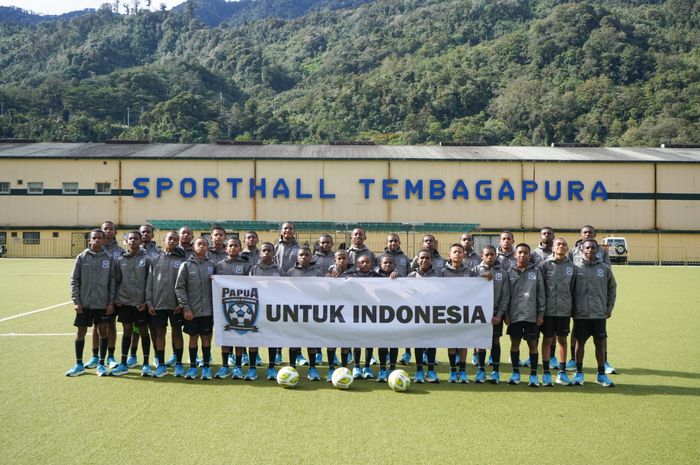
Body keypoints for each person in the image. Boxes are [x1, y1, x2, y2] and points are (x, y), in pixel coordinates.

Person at [65, 229, 115, 377]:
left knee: (103, 331)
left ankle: (101, 364)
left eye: (100, 238)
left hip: (102, 304)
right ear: (90, 240)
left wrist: (110, 302)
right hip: (84, 304)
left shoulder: (110, 258)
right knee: (80, 332)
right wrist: (76, 301)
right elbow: (74, 281)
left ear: (104, 240)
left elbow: (112, 282)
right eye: (95, 238)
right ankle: (79, 364)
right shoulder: (81, 258)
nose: (97, 240)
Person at [568, 225, 616, 375]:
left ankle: (602, 371)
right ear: (582, 249)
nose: (590, 250)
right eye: (587, 248)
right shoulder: (574, 266)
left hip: (598, 312)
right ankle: (578, 369)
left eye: (593, 248)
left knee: (600, 342)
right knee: (579, 341)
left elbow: (612, 287)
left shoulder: (604, 267)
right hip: (580, 312)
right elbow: (568, 288)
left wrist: (609, 307)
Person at [110, 231, 153, 377]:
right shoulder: (120, 260)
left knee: (142, 331)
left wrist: (147, 301)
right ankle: (123, 363)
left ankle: (146, 364)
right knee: (127, 331)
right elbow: (116, 280)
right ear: (126, 241)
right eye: (130, 239)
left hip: (140, 303)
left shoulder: (147, 259)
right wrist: (116, 297)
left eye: (136, 238)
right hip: (125, 302)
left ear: (140, 241)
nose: (133, 241)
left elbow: (150, 282)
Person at [146, 230, 186, 378]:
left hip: (175, 305)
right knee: (160, 333)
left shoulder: (182, 260)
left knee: (177, 332)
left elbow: (184, 284)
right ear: (164, 240)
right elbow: (149, 283)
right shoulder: (155, 259)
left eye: (176, 240)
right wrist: (149, 302)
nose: (173, 241)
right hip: (158, 304)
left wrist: (182, 303)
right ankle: (161, 364)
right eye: (170, 239)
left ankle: (179, 364)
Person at [175, 237, 216, 380]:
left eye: (205, 245)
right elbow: (179, 288)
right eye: (200, 244)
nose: (202, 247)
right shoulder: (186, 265)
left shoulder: (212, 265)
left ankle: (206, 367)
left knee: (206, 339)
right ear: (193, 247)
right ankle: (192, 367)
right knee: (193, 338)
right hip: (192, 310)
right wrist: (186, 308)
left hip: (208, 311)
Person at [505, 243, 545, 387]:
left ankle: (533, 376)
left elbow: (541, 294)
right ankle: (515, 373)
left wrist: (541, 313)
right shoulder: (509, 271)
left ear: (530, 255)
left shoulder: (536, 271)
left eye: (525, 253)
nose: (522, 255)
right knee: (514, 344)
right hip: (514, 315)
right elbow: (506, 295)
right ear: (515, 255)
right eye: (520, 252)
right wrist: (505, 314)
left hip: (531, 315)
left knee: (533, 345)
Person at [215, 238, 255, 380]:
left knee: (239, 336)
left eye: (236, 245)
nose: (233, 248)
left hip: (242, 307)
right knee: (225, 337)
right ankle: (225, 366)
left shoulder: (247, 265)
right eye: (230, 246)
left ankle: (238, 367)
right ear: (226, 248)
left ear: (240, 248)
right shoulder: (219, 265)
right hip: (223, 306)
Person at [85, 221, 123, 370]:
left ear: (115, 232)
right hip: (95, 297)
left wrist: (116, 297)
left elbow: (120, 277)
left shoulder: (120, 251)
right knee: (96, 326)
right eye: (105, 229)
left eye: (110, 229)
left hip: (111, 296)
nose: (107, 232)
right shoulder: (91, 251)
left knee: (111, 325)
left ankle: (111, 356)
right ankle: (95, 356)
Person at [539, 238, 576, 387]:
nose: (561, 246)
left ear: (567, 248)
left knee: (562, 340)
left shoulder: (572, 267)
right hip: (548, 311)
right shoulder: (544, 265)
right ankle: (546, 372)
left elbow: (573, 289)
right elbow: (539, 289)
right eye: (558, 244)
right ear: (553, 248)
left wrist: (571, 308)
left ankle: (562, 372)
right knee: (547, 340)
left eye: (564, 244)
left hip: (564, 311)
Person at [472, 244, 510, 384]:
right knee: (480, 342)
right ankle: (481, 371)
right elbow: (467, 291)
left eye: (492, 254)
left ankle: (495, 372)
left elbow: (505, 296)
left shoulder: (503, 273)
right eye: (486, 255)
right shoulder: (474, 271)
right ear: (482, 256)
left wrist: (499, 315)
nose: (489, 257)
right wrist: (480, 277)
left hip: (495, 315)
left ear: (496, 255)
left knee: (495, 341)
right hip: (479, 314)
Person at [286, 246, 323, 380]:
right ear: (297, 257)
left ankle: (312, 368)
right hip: (294, 312)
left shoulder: (318, 273)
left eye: (307, 255)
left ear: (311, 257)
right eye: (301, 255)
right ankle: (292, 367)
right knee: (294, 341)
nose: (304, 257)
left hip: (312, 312)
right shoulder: (290, 272)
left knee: (311, 340)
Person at [248, 242, 283, 380]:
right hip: (256, 310)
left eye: (269, 250)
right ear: (260, 253)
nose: (267, 252)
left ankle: (272, 367)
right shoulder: (253, 269)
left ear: (273, 253)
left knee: (272, 338)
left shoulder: (278, 270)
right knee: (253, 338)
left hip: (272, 310)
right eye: (264, 250)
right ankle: (252, 368)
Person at [341, 254, 377, 379]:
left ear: (371, 264)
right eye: (362, 262)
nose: (365, 264)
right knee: (356, 339)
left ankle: (367, 367)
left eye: (367, 262)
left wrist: (394, 274)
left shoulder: (377, 276)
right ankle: (356, 366)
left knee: (369, 340)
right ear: (357, 264)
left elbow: (388, 282)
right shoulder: (350, 275)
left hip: (371, 312)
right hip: (354, 312)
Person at [440, 243, 472, 383]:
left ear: (464, 255)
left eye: (460, 252)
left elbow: (479, 284)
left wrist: (486, 275)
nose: (457, 254)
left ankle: (463, 371)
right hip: (449, 313)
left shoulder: (470, 272)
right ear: (449, 255)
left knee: (463, 342)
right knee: (452, 343)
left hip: (465, 312)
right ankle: (453, 370)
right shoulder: (442, 272)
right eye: (454, 252)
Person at [407, 249, 440, 383]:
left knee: (431, 342)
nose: (424, 260)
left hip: (433, 314)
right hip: (416, 315)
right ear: (417, 259)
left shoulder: (438, 275)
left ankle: (431, 370)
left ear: (431, 260)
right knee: (419, 343)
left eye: (427, 258)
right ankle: (419, 371)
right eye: (422, 258)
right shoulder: (411, 276)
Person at [372, 255, 399, 382]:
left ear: (394, 265)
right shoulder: (373, 277)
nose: (387, 265)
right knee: (382, 343)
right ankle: (382, 369)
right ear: (380, 264)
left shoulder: (399, 278)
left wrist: (397, 276)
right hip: (378, 314)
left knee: (393, 342)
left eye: (390, 263)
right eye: (385, 263)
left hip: (395, 314)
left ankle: (392, 367)